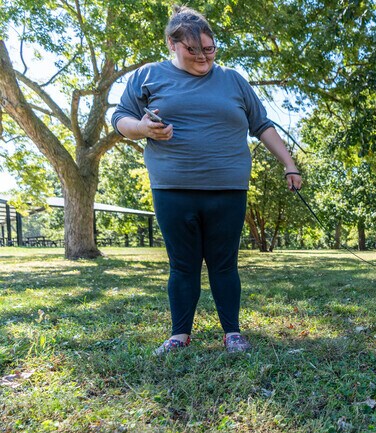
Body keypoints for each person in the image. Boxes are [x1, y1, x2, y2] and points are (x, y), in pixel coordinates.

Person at [111, 5, 302, 354]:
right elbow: (120, 118)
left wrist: (289, 164)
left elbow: (261, 124)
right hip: (173, 189)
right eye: (193, 50)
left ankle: (232, 333)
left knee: (224, 263)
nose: (202, 56)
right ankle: (179, 335)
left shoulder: (233, 80)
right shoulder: (148, 76)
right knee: (182, 265)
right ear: (172, 44)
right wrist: (143, 128)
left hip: (228, 189)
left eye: (209, 49)